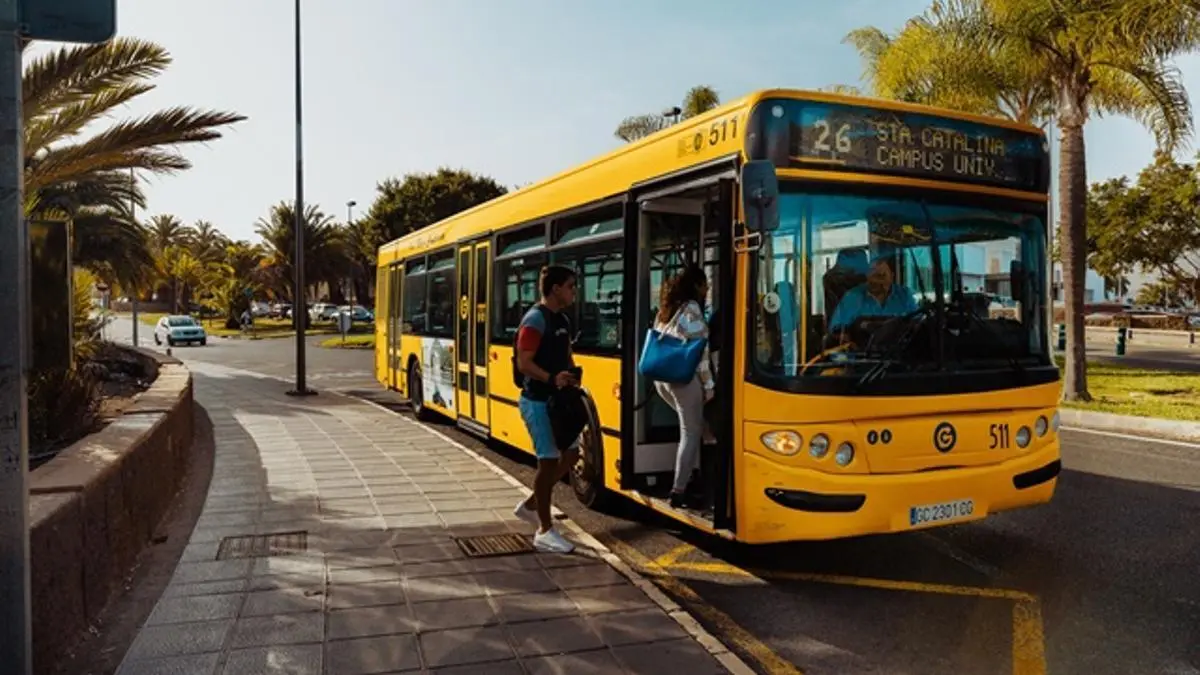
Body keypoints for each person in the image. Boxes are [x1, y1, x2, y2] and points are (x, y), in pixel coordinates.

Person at [512, 265, 581, 553]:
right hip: (537, 401)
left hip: (558, 400)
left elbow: (565, 355)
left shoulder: (561, 320)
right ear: (555, 289)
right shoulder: (535, 320)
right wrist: (551, 378)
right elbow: (523, 363)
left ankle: (530, 506)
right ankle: (544, 530)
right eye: (570, 286)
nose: (574, 292)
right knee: (548, 461)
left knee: (572, 454)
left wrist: (570, 374)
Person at [652, 264, 715, 508]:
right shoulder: (691, 309)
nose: (707, 288)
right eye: (705, 284)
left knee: (700, 429)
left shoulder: (667, 309)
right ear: (697, 286)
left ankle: (696, 475)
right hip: (683, 379)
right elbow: (700, 351)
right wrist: (708, 384)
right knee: (690, 432)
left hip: (662, 379)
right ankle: (678, 491)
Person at [827, 256, 917, 338]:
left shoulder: (904, 295)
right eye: (873, 276)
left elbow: (918, 325)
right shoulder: (852, 297)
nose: (876, 281)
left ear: (892, 276)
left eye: (881, 276)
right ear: (867, 277)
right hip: (864, 352)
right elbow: (835, 330)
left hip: (900, 351)